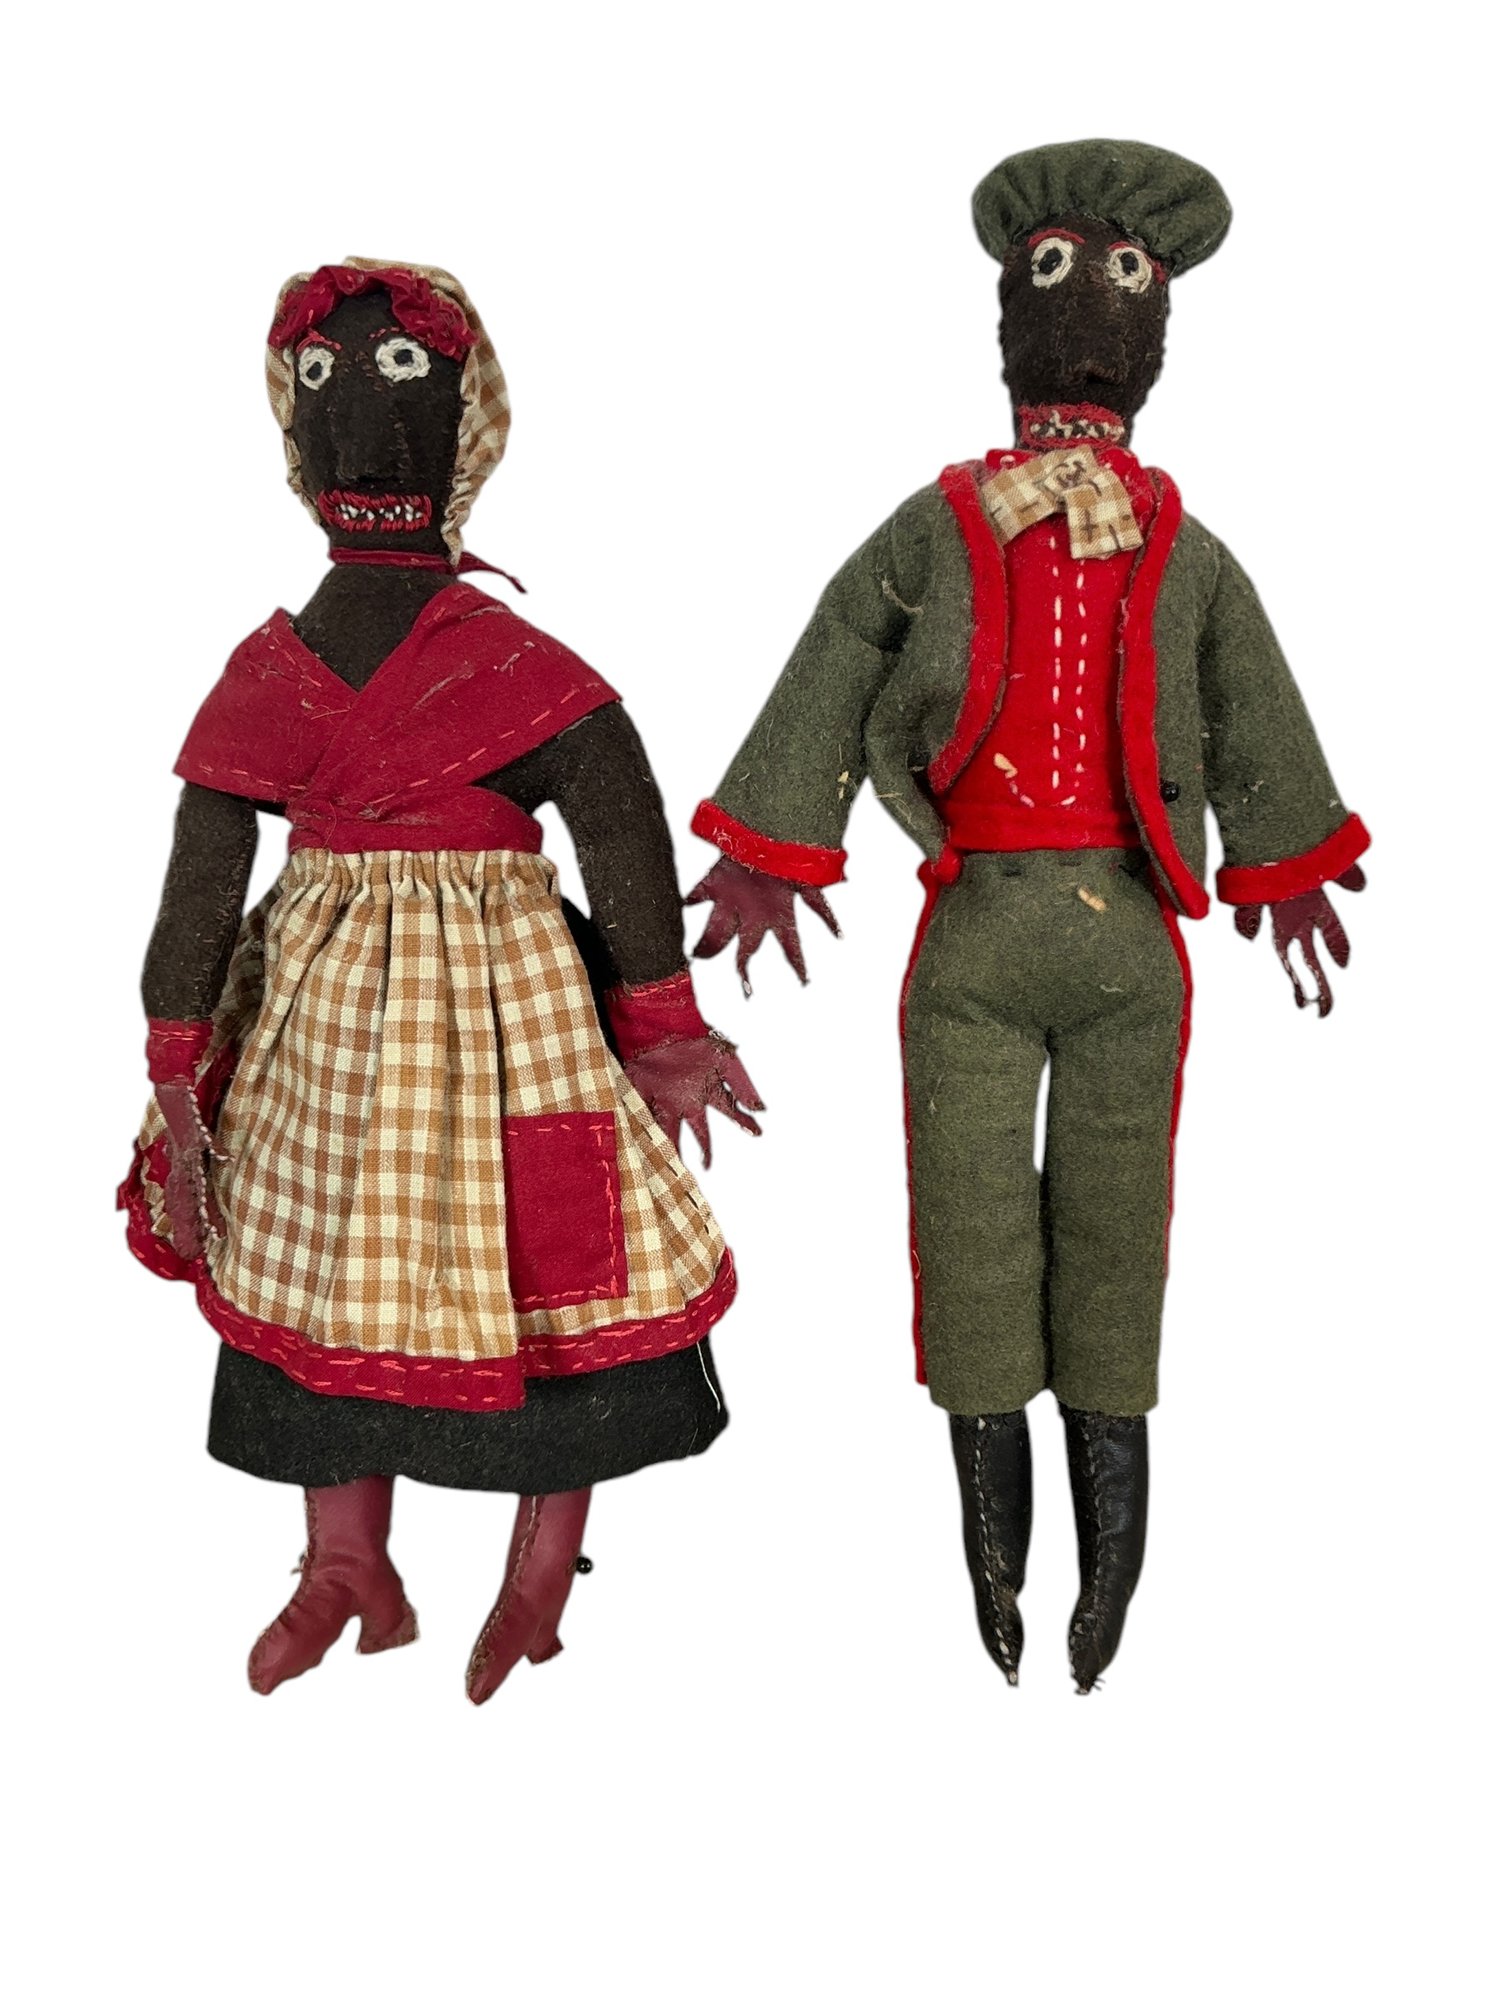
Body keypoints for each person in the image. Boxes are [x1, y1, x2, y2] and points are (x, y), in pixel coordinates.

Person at [687, 143, 1368, 1691]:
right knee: (971, 1227)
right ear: (1011, 311)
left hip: (1132, 927)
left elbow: (1249, 693)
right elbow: (840, 654)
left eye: (1123, 283)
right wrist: (773, 845)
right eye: (1059, 276)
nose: (1089, 314)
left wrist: (1286, 857)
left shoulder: (1186, 550)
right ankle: (997, 1564)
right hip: (975, 925)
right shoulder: (939, 526)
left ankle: (1105, 1571)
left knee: (1119, 1235)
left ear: (1155, 325)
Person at [121, 258, 761, 1701]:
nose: (360, 420)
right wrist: (176, 1053)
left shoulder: (516, 670)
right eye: (328, 384)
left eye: (401, 381)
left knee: (547, 1268)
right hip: (323, 1038)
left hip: (511, 1026)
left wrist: (660, 1023)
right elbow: (200, 876)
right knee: (315, 1254)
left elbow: (620, 829)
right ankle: (347, 1562)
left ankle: (538, 1576)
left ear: (463, 422)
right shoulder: (278, 676)